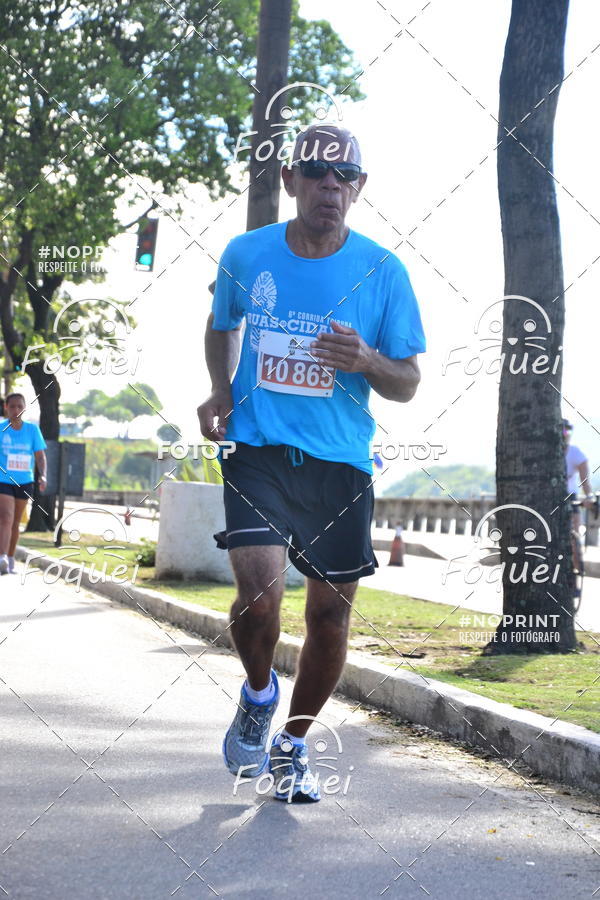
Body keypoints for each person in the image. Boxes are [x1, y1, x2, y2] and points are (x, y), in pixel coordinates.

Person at [197, 124, 426, 802]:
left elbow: (408, 380)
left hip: (340, 463)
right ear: (291, 180)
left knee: (329, 617)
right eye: (316, 172)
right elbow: (221, 323)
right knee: (260, 594)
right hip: (259, 446)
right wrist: (219, 387)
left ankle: (293, 744)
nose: (330, 185)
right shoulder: (248, 253)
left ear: (358, 188)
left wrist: (367, 361)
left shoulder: (384, 272)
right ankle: (259, 692)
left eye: (343, 175)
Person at [0, 393, 47, 574]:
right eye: (12, 406)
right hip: (3, 480)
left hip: (25, 481)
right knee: (5, 517)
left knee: (15, 523)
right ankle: (2, 557)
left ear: (24, 408)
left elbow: (40, 456)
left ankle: (10, 558)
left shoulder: (32, 430)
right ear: (6, 407)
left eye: (19, 406)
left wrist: (43, 476)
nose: (16, 410)